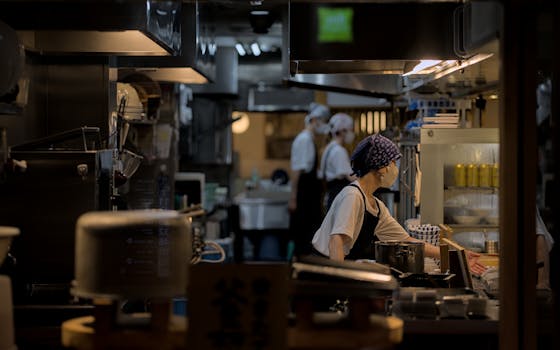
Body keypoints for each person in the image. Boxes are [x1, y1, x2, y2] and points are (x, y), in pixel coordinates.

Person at [311, 133, 487, 275]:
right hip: (323, 272)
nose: (395, 169)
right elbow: (336, 241)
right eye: (393, 162)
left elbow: (407, 240)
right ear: (381, 167)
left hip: (337, 269)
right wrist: (338, 283)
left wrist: (455, 255)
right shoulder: (352, 196)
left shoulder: (376, 206)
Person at [289, 102, 331, 256]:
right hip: (304, 194)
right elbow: (296, 170)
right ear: (314, 120)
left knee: (309, 234)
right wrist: (293, 197)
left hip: (309, 194)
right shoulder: (304, 140)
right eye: (323, 121)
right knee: (304, 236)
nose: (324, 125)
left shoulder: (310, 139)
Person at [318, 113, 357, 212]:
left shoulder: (329, 148)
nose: (351, 133)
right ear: (342, 131)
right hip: (337, 195)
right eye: (350, 130)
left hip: (332, 194)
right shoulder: (338, 151)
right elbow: (351, 177)